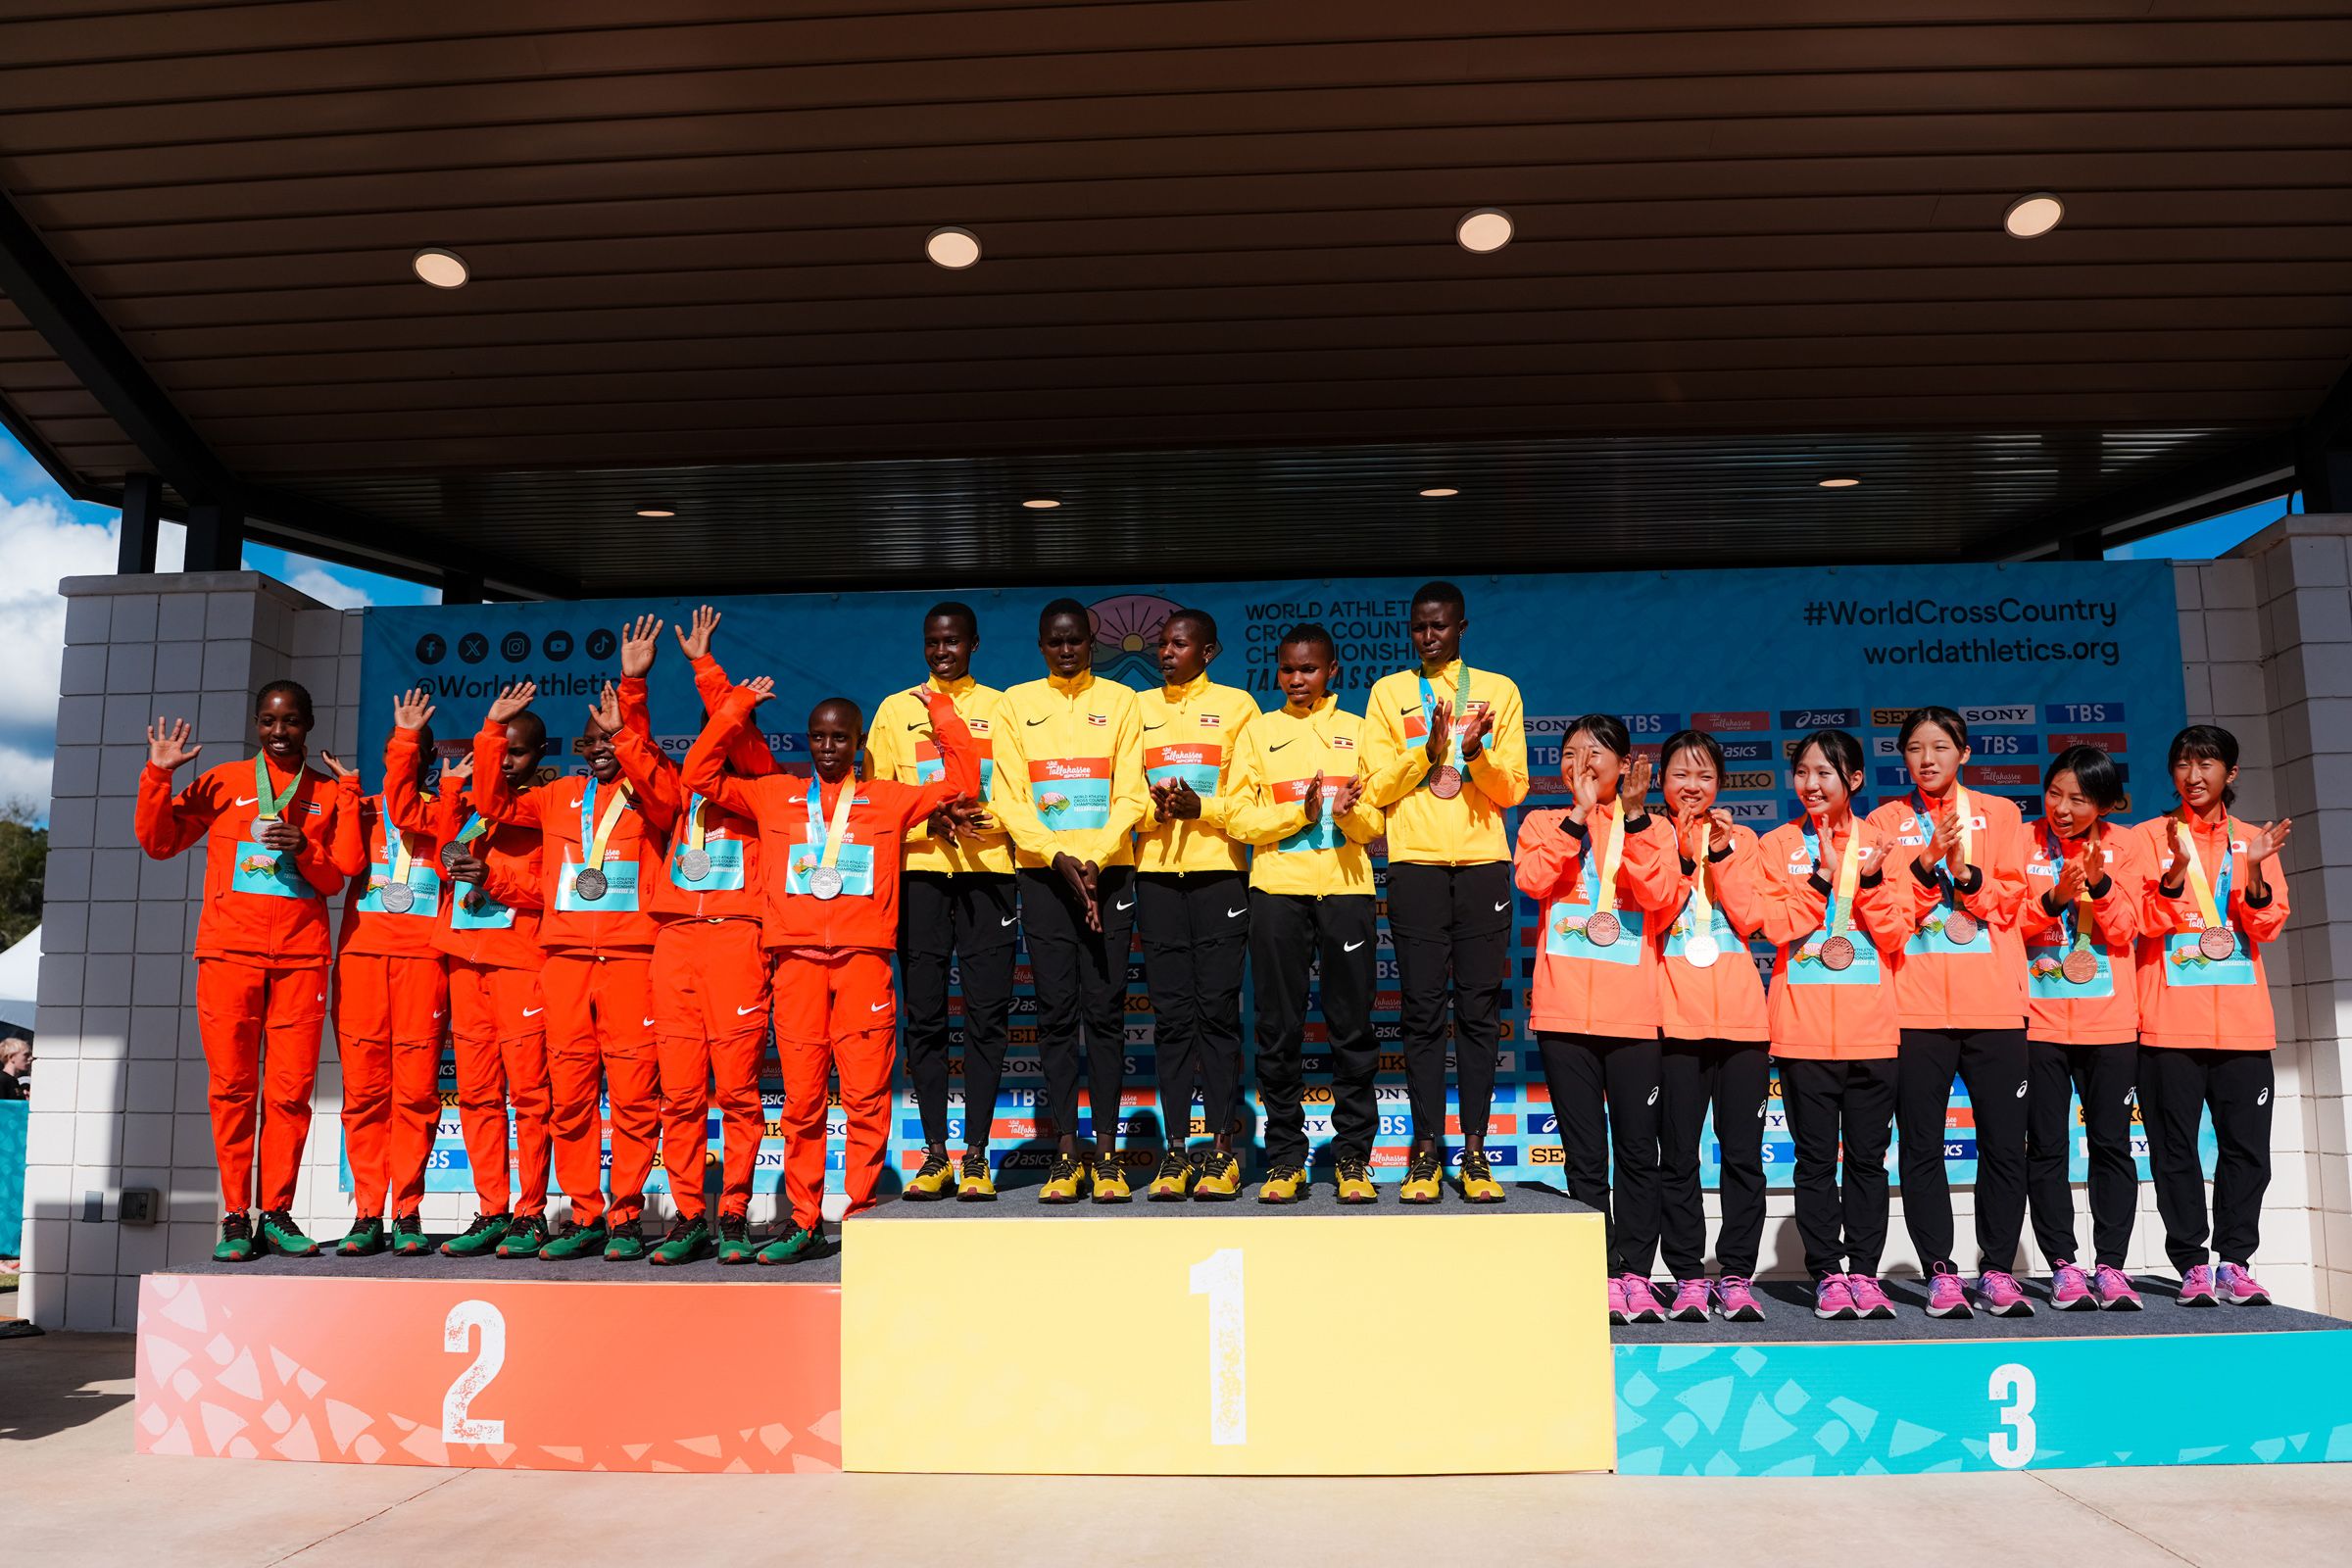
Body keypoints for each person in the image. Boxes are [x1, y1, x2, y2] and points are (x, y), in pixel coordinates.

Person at [685, 676, 978, 1260]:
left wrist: (943, 714)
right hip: (794, 963)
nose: (826, 748)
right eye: (818, 737)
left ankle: (864, 1217)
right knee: (802, 1102)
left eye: (839, 738)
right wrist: (734, 709)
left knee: (867, 1097)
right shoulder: (773, 794)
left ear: (858, 743)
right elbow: (698, 776)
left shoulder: (890, 799)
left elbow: (963, 782)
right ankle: (805, 1219)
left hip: (864, 963)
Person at [136, 682, 349, 1261]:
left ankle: (276, 1211)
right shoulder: (225, 781)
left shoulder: (327, 794)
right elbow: (159, 843)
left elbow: (336, 879)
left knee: (290, 1093)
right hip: (230, 954)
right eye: (267, 722)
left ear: (308, 724)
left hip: (302, 958)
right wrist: (158, 777)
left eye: (290, 722)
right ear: (257, 725)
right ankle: (235, 1215)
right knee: (232, 1090)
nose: (278, 732)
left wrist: (305, 847)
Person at [472, 663, 668, 1262]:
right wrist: (492, 731)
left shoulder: (653, 798)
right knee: (571, 1095)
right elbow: (491, 799)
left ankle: (627, 1216)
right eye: (591, 741)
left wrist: (629, 726)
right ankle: (584, 1212)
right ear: (577, 749)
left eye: (612, 739)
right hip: (562, 963)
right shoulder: (558, 796)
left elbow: (663, 794)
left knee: (635, 1096)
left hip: (631, 959)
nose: (601, 750)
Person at [607, 610, 775, 1265]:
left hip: (736, 941)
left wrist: (712, 675)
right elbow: (640, 754)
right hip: (675, 942)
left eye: (727, 731)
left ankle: (733, 1211)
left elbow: (738, 737)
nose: (718, 742)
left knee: (735, 1090)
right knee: (678, 1092)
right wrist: (633, 684)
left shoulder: (762, 785)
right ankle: (689, 1214)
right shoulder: (676, 796)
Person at [1361, 581, 1529, 1202]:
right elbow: (1374, 787)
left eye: (1440, 626)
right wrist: (1425, 755)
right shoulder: (1389, 693)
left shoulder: (1499, 690)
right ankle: (1426, 1151)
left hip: (1484, 863)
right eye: (1419, 627)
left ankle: (1478, 1152)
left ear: (1462, 628)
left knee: (1479, 1014)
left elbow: (1513, 790)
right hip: (1417, 866)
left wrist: (1475, 755)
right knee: (1423, 1010)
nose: (1428, 637)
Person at [1867, 706, 2034, 1317]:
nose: (1928, 759)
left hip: (1993, 1006)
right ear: (1903, 758)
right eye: (1915, 749)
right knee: (1920, 1145)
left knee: (2003, 1145)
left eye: (1940, 746)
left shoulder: (2002, 814)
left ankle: (1997, 1269)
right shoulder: (1887, 820)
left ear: (1964, 751)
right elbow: (1886, 914)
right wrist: (1923, 866)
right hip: (1914, 1009)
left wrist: (1965, 873)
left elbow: (2012, 903)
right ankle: (1941, 1271)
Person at [988, 600, 1151, 1202]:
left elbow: (1133, 796)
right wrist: (1057, 858)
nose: (1065, 650)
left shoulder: (1122, 701)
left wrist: (1095, 860)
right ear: (1040, 644)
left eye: (1076, 641)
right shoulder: (1015, 704)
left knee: (1105, 1015)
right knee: (1056, 1015)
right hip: (1043, 876)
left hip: (1109, 876)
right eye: (1055, 641)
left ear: (1092, 643)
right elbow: (1009, 799)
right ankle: (1065, 1152)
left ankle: (1106, 1154)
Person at [1517, 716, 1678, 1319]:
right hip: (1563, 1015)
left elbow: (1660, 896)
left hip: (1633, 1016)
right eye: (1569, 752)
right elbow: (1534, 879)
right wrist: (1577, 818)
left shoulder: (1653, 826)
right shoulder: (1542, 822)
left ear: (1624, 765)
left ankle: (1637, 1270)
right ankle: (1601, 1270)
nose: (1580, 763)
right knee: (1586, 1154)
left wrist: (1632, 821)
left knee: (1639, 1151)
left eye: (1595, 753)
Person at [1221, 624, 1384, 1203]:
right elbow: (1237, 816)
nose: (1297, 679)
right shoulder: (1257, 732)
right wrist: (1298, 813)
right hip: (1277, 893)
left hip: (1346, 891)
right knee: (1278, 1027)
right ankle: (1285, 1157)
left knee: (1351, 1028)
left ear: (1332, 671)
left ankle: (1354, 1161)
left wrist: (1343, 815)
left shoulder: (1360, 731)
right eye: (1288, 669)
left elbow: (1376, 825)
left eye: (1309, 669)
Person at [1757, 728, 1913, 1321]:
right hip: (1800, 1030)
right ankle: (1827, 1274)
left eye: (1826, 773)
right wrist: (1821, 879)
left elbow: (1898, 934)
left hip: (1874, 1029)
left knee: (1869, 1161)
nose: (1812, 784)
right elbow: (1773, 928)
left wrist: (1868, 881)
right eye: (1803, 772)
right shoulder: (1776, 845)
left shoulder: (1884, 844)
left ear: (1854, 780)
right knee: (1816, 1160)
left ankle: (1865, 1275)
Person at [2134, 724, 2291, 1307]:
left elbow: (2267, 926)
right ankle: (2192, 1265)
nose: (2193, 776)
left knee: (2246, 1151)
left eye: (2207, 764)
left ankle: (2235, 1262)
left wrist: (2251, 871)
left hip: (2244, 1027)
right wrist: (2175, 872)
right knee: (2174, 1150)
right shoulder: (2147, 837)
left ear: (2232, 773)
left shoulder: (2255, 840)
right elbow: (2143, 924)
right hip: (2169, 1023)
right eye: (2183, 763)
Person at [866, 602, 1015, 1202]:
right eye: (933, 641)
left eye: (953, 641)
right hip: (921, 875)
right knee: (925, 1019)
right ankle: (934, 1154)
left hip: (987, 872)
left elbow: (1018, 791)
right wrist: (931, 823)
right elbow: (878, 799)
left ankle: (976, 1155)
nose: (942, 651)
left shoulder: (1002, 706)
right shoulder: (893, 709)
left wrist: (982, 817)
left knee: (987, 1017)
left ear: (974, 644)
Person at [1133, 609, 1259, 1200]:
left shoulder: (1239, 708)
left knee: (1216, 1015)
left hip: (1219, 879)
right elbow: (1122, 792)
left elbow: (1251, 799)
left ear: (1208, 651)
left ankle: (1222, 1152)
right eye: (1161, 643)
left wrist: (1200, 809)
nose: (1165, 652)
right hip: (1156, 876)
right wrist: (1150, 810)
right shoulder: (1137, 708)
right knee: (1172, 1018)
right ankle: (1175, 1153)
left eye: (1178, 644)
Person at [319, 689, 451, 1258]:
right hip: (363, 963)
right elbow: (344, 862)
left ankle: (409, 1211)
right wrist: (349, 794)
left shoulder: (450, 812)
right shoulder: (364, 808)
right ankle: (369, 1211)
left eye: (418, 749)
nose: (407, 759)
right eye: (399, 748)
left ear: (425, 759)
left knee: (417, 1094)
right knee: (365, 1094)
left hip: (424, 963)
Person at [2020, 746, 2150, 1311]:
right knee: (2045, 1150)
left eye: (2079, 798)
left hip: (2110, 1023)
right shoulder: (2023, 842)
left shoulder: (2128, 846)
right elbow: (2009, 924)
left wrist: (2097, 887)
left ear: (2102, 802)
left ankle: (2112, 1267)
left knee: (2111, 1146)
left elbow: (2129, 931)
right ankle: (2064, 1268)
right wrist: (2057, 897)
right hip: (2039, 1022)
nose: (2063, 808)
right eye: (2055, 794)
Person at [1651, 730, 1774, 1324]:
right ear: (1662, 784)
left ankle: (1736, 1274)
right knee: (1676, 1157)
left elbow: (1754, 918)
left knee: (1743, 1156)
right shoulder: (1646, 836)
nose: (1692, 787)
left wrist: (1720, 855)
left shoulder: (1744, 840)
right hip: (1673, 1018)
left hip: (1743, 1023)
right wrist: (1678, 852)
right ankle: (1687, 1276)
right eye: (1680, 775)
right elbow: (1649, 913)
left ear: (1720, 784)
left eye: (1703, 776)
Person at [431, 713, 554, 1260]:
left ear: (540, 755)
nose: (505, 762)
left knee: (530, 1094)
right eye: (499, 751)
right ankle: (491, 1208)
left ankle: (530, 1213)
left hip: (519, 963)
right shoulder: (472, 811)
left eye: (519, 753)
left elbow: (556, 891)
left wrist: (494, 880)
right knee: (478, 1093)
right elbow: (442, 864)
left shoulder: (549, 809)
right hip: (465, 958)